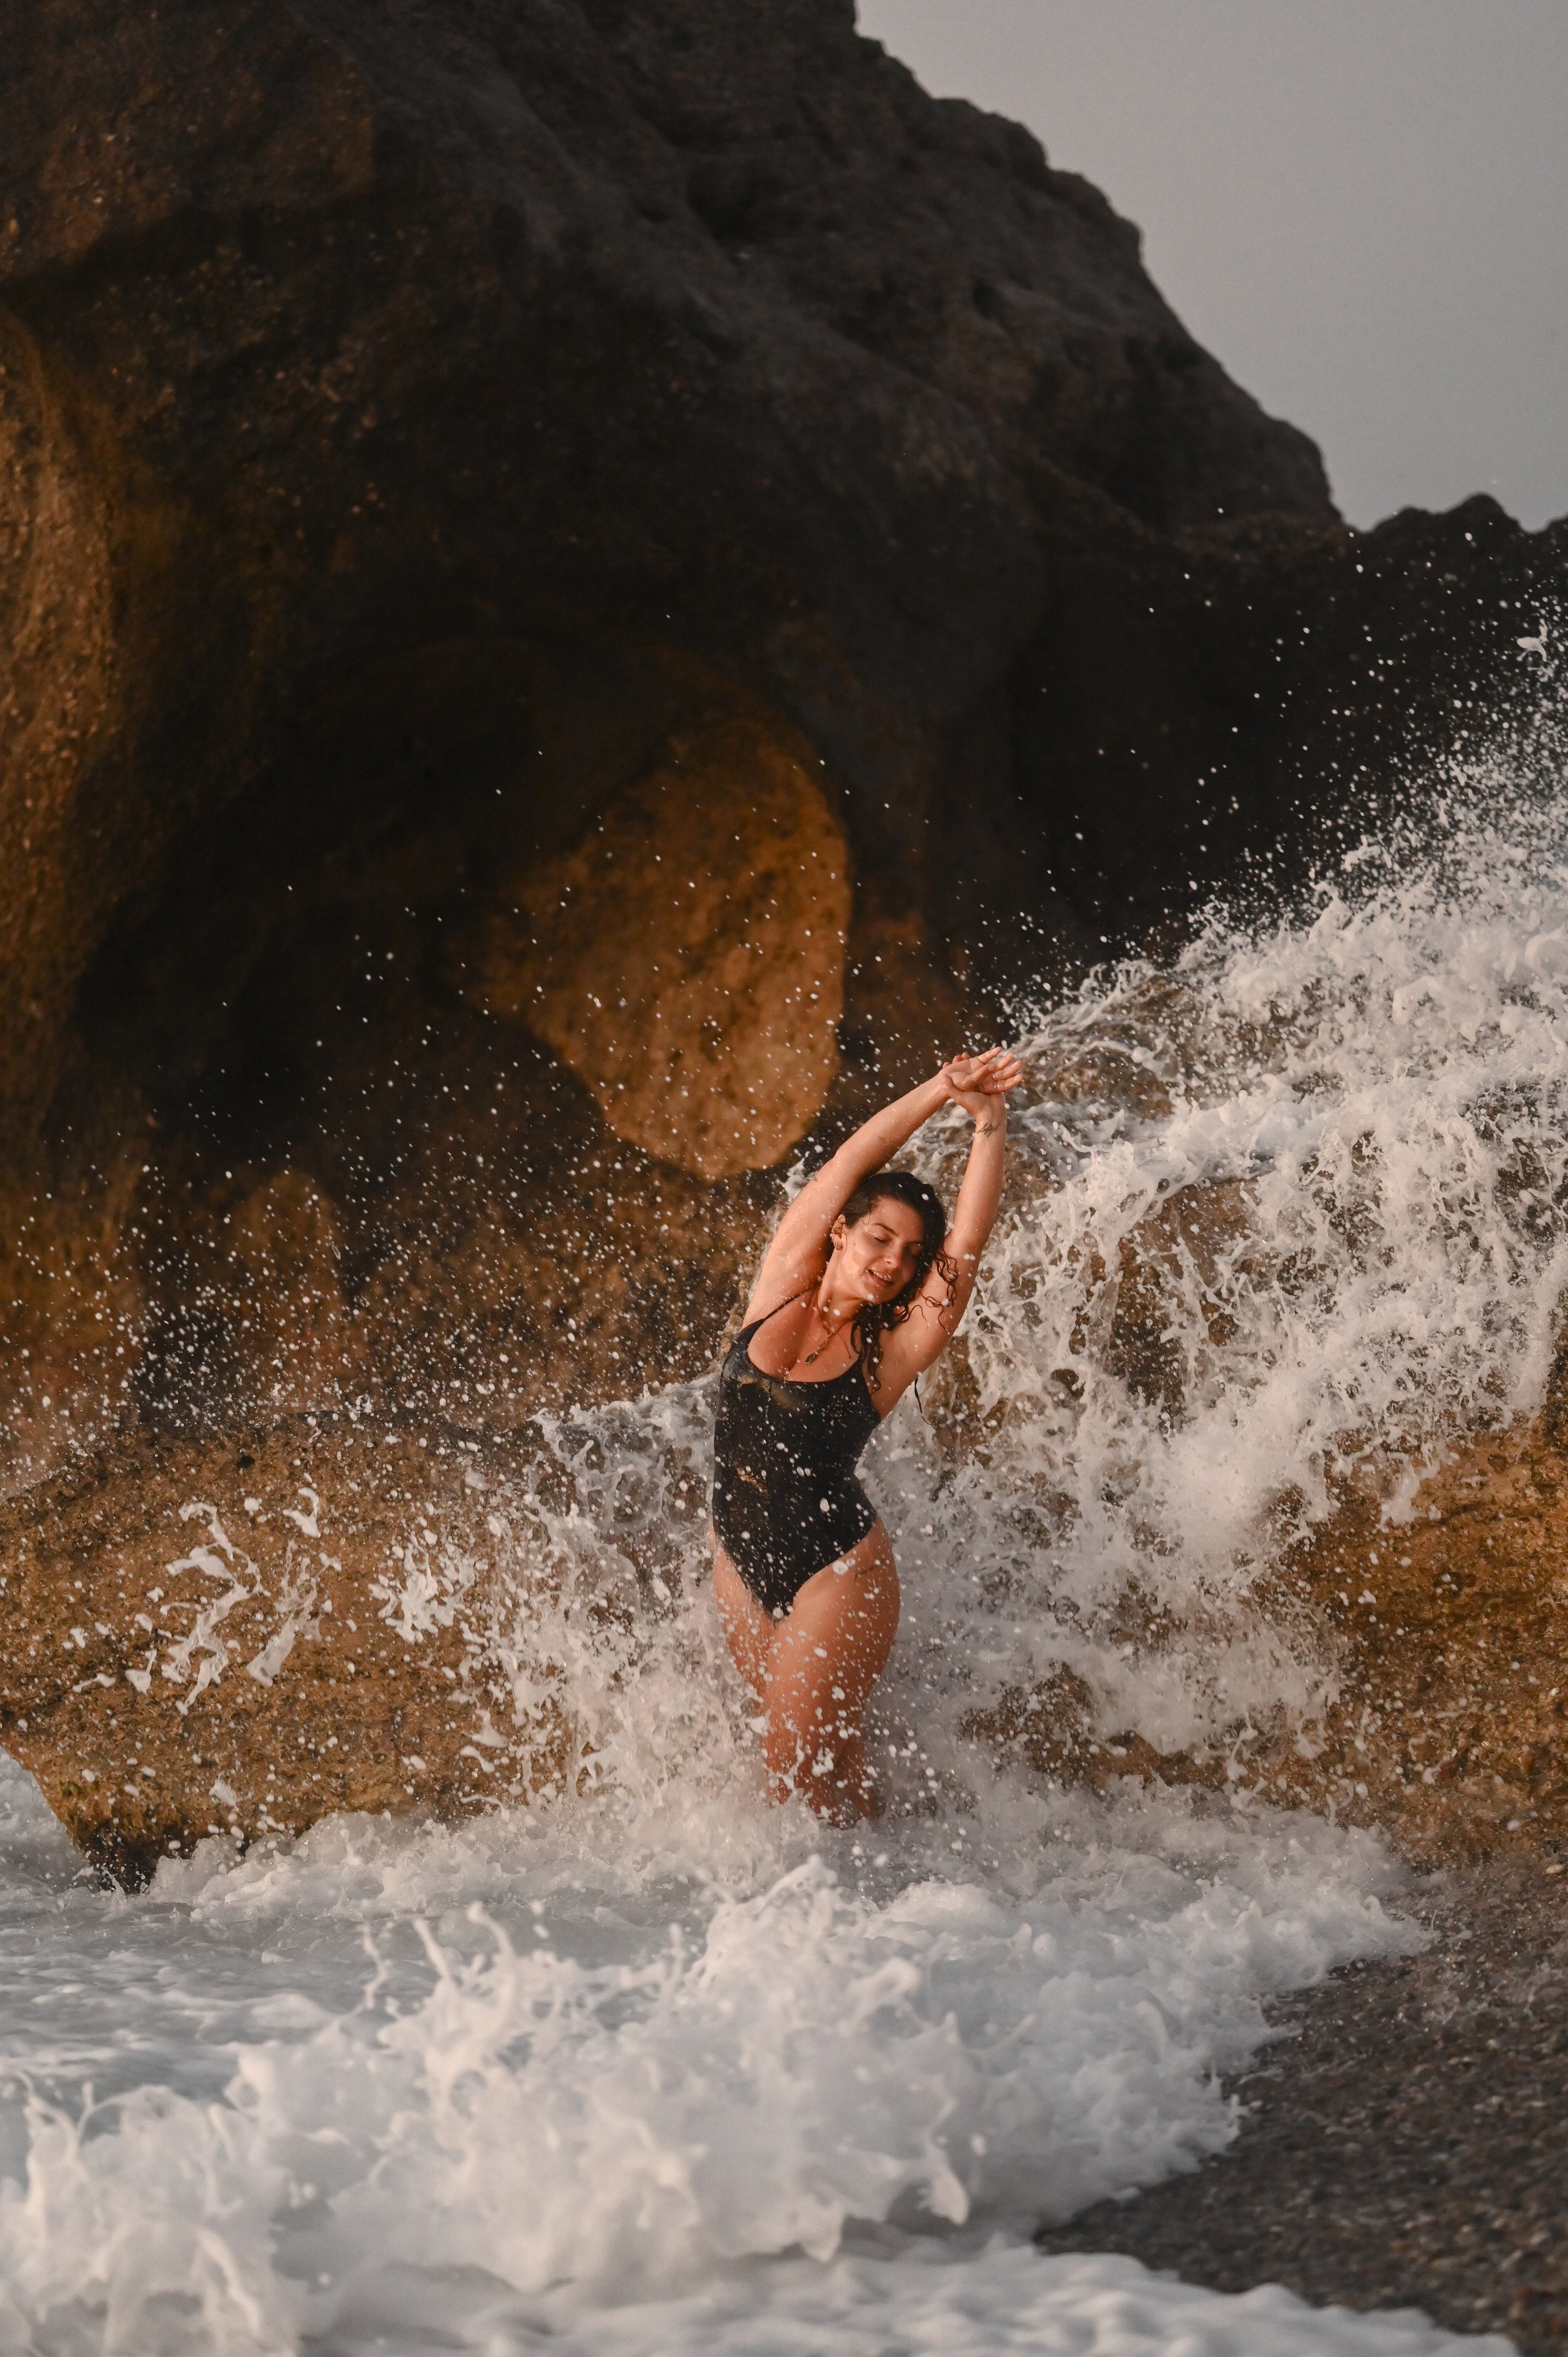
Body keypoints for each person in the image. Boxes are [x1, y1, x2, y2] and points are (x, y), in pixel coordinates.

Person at [710, 1047, 1023, 1822]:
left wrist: (989, 1127)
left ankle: (830, 1931)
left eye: (909, 1253)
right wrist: (938, 1090)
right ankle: (893, 1903)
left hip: (836, 1572)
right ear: (843, 1229)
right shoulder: (781, 1279)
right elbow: (853, 1156)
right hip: (738, 1558)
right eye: (880, 1237)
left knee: (789, 1779)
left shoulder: (891, 1349)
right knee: (829, 1767)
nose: (893, 1261)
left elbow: (966, 1249)